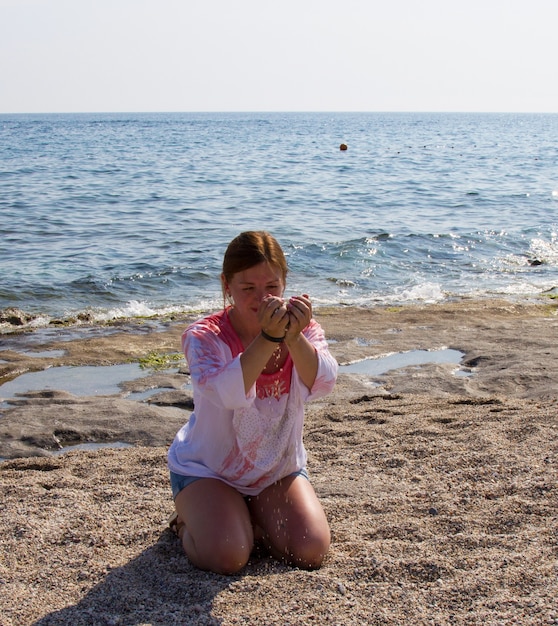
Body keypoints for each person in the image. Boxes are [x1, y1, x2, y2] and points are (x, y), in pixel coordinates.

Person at [167, 231, 338, 575]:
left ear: (285, 283)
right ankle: (185, 522)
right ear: (227, 286)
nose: (263, 299)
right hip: (209, 471)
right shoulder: (204, 337)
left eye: (272, 287)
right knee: (227, 557)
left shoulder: (303, 330)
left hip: (276, 470)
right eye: (248, 289)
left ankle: (248, 517)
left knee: (310, 550)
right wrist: (269, 338)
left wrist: (292, 338)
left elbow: (323, 380)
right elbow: (227, 392)